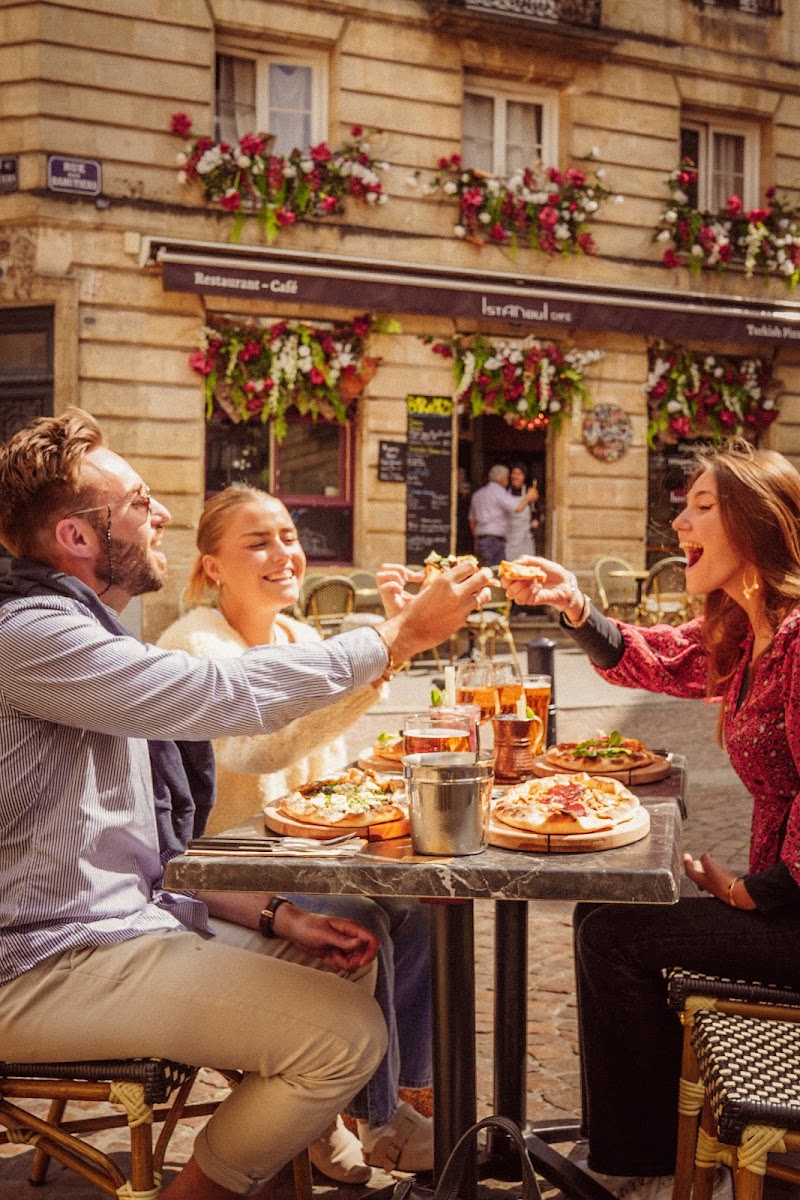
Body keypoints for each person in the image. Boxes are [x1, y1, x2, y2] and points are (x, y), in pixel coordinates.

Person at [0, 409, 493, 1200]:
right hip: (39, 962)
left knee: (344, 963)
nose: (160, 511)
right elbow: (215, 694)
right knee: (345, 1037)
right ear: (78, 538)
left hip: (120, 929)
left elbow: (154, 855)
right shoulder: (29, 634)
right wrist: (394, 639)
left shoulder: (93, 636)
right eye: (138, 500)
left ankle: (308, 1153)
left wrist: (277, 916)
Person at [501, 441, 800, 1196]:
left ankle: (647, 1168)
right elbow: (659, 657)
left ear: (759, 524)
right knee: (607, 912)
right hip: (784, 901)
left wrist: (762, 890)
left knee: (611, 932)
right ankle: (637, 1150)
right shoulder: (747, 629)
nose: (679, 523)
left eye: (703, 507)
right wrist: (574, 604)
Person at [158, 485, 434, 1178]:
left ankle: (400, 1095)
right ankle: (378, 1119)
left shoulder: (300, 638)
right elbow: (261, 749)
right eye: (258, 542)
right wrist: (390, 654)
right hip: (222, 877)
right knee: (363, 915)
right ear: (213, 566)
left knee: (420, 906)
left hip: (294, 858)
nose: (284, 553)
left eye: (288, 535)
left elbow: (320, 771)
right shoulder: (193, 644)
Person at [468, 464, 538, 567]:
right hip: (495, 541)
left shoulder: (477, 495)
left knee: (483, 570)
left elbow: (472, 521)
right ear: (502, 479)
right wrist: (529, 496)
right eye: (507, 478)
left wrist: (477, 539)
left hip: (481, 539)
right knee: (495, 571)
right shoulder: (500, 493)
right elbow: (517, 508)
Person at [505, 464, 539, 561]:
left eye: (519, 474)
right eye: (514, 473)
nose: (515, 476)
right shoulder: (505, 491)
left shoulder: (529, 491)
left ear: (524, 476)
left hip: (524, 535)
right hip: (509, 535)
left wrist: (534, 523)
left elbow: (536, 511)